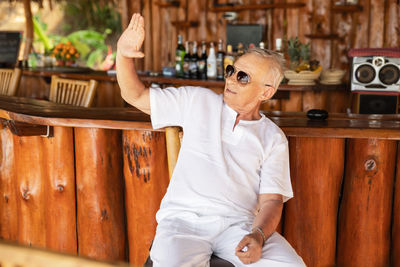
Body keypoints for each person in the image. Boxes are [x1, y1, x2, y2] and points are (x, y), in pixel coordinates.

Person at [117, 13, 306, 267]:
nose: (230, 78)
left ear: (266, 91)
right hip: (183, 222)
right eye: (232, 70)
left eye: (243, 77)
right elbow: (136, 95)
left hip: (238, 226)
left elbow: (272, 200)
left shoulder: (273, 138)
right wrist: (124, 54)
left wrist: (258, 235)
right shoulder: (198, 100)